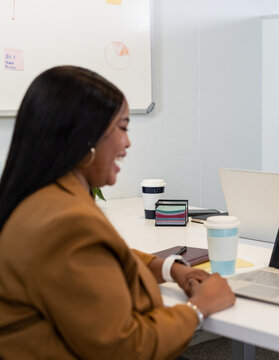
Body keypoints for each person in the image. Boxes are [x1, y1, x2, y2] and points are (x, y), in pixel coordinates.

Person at [0, 66, 235, 359]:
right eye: (122, 128)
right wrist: (200, 308)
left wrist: (171, 268)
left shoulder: (37, 199)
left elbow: (102, 257)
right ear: (85, 138)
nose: (127, 143)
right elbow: (124, 348)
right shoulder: (66, 222)